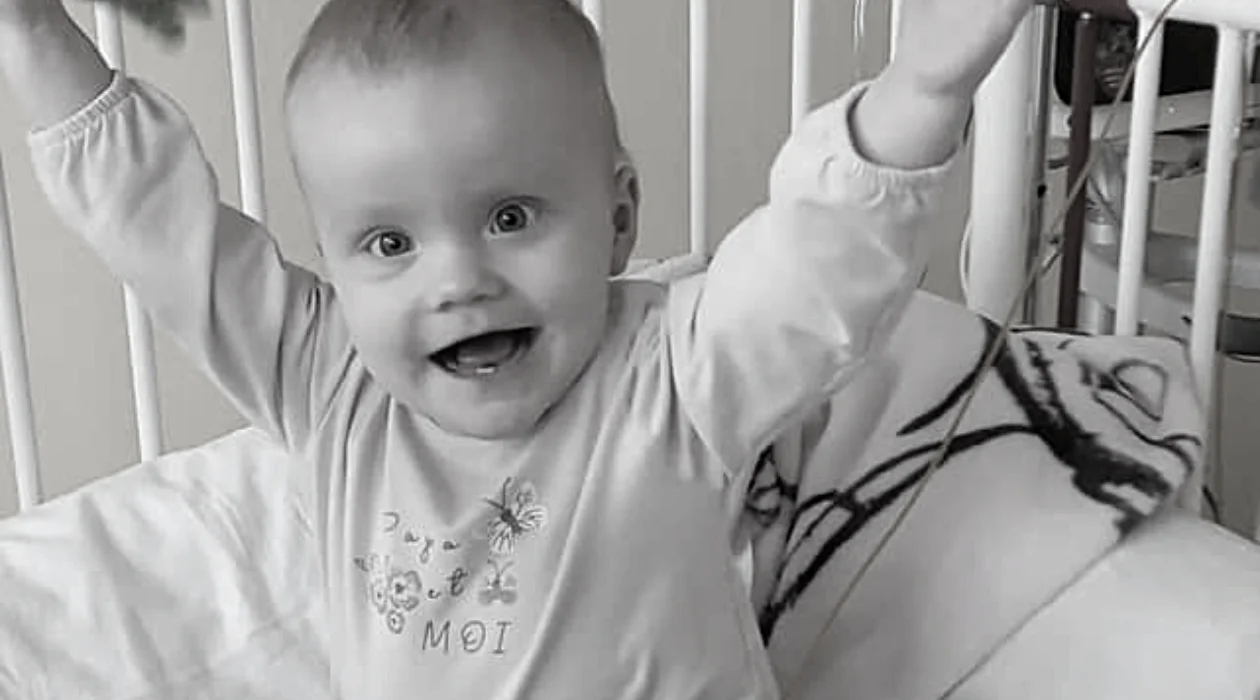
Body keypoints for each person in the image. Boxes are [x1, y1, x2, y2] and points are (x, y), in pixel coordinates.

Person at [0, 0, 1031, 696]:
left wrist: (924, 86)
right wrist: (31, 24)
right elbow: (158, 226)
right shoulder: (331, 381)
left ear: (618, 219)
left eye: (510, 217)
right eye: (389, 244)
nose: (457, 279)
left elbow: (816, 265)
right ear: (334, 264)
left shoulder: (676, 374)